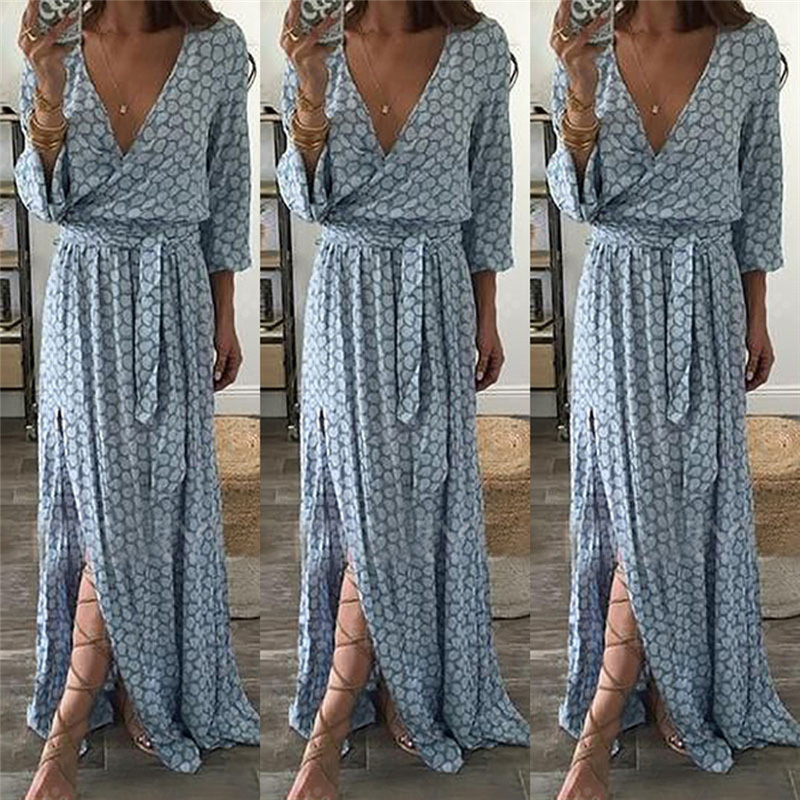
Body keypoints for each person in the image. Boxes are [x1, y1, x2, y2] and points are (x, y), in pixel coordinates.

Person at [276, 1, 530, 798]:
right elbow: (304, 197)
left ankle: (390, 689)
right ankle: (338, 719)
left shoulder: (479, 45)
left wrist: (487, 314)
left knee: (419, 501)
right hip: (347, 297)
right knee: (364, 504)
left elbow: (490, 189)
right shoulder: (314, 41)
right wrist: (309, 84)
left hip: (438, 295)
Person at [546, 2, 800, 798]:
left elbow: (760, 189)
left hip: (707, 296)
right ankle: (608, 722)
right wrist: (580, 85)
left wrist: (757, 314)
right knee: (635, 505)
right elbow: (575, 198)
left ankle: (652, 692)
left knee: (689, 502)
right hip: (617, 299)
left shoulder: (748, 46)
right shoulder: (586, 43)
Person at [15, 2, 259, 798]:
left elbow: (228, 190)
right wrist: (49, 88)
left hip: (175, 296)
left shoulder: (216, 46)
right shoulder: (52, 43)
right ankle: (77, 718)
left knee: (155, 501)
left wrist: (224, 314)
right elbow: (43, 198)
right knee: (102, 504)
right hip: (85, 299)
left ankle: (133, 687)